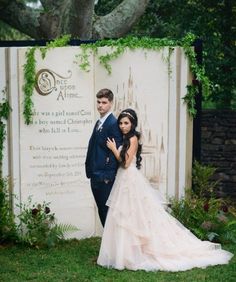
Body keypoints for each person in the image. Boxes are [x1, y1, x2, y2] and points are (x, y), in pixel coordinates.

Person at [97, 108, 233, 271]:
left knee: (135, 214)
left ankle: (138, 252)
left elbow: (126, 163)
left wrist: (113, 149)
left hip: (130, 178)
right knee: (126, 214)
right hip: (123, 179)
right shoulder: (124, 138)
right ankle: (126, 253)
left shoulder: (133, 138)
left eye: (126, 123)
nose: (122, 126)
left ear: (133, 124)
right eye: (120, 123)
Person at [85, 88, 122, 227]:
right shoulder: (99, 122)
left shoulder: (113, 124)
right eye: (98, 102)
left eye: (104, 102)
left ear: (111, 103)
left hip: (104, 178)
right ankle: (109, 245)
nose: (100, 105)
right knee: (101, 210)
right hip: (94, 174)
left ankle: (112, 246)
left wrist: (107, 176)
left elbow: (114, 153)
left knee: (107, 212)